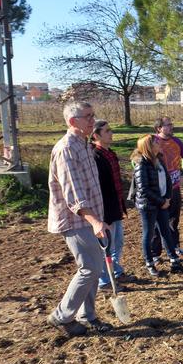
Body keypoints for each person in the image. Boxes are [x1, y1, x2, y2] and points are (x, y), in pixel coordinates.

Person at [46, 101, 113, 337]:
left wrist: (99, 219)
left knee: (94, 268)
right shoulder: (67, 150)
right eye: (88, 117)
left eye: (93, 115)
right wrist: (95, 221)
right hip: (76, 220)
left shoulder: (83, 145)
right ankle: (62, 316)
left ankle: (88, 316)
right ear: (73, 121)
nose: (93, 120)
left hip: (91, 218)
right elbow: (74, 195)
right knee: (89, 268)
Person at [132, 134, 183, 276]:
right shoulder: (141, 164)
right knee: (148, 233)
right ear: (148, 146)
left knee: (165, 231)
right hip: (148, 205)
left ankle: (174, 261)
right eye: (155, 142)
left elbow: (167, 180)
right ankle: (150, 263)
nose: (158, 143)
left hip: (162, 202)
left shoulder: (159, 159)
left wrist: (167, 198)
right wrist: (162, 202)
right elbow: (143, 189)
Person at [91, 120, 128, 291]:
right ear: (96, 135)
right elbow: (97, 187)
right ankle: (104, 280)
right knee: (107, 246)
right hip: (105, 210)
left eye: (110, 130)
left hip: (116, 206)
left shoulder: (110, 153)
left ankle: (116, 271)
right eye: (107, 131)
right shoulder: (95, 156)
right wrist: (102, 214)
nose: (111, 133)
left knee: (118, 243)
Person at [150, 116, 183, 261]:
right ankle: (154, 253)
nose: (171, 127)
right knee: (156, 221)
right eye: (167, 125)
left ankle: (174, 247)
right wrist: (149, 177)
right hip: (158, 189)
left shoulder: (177, 141)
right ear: (159, 128)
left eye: (171, 124)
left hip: (174, 187)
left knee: (173, 219)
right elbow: (136, 160)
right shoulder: (152, 141)